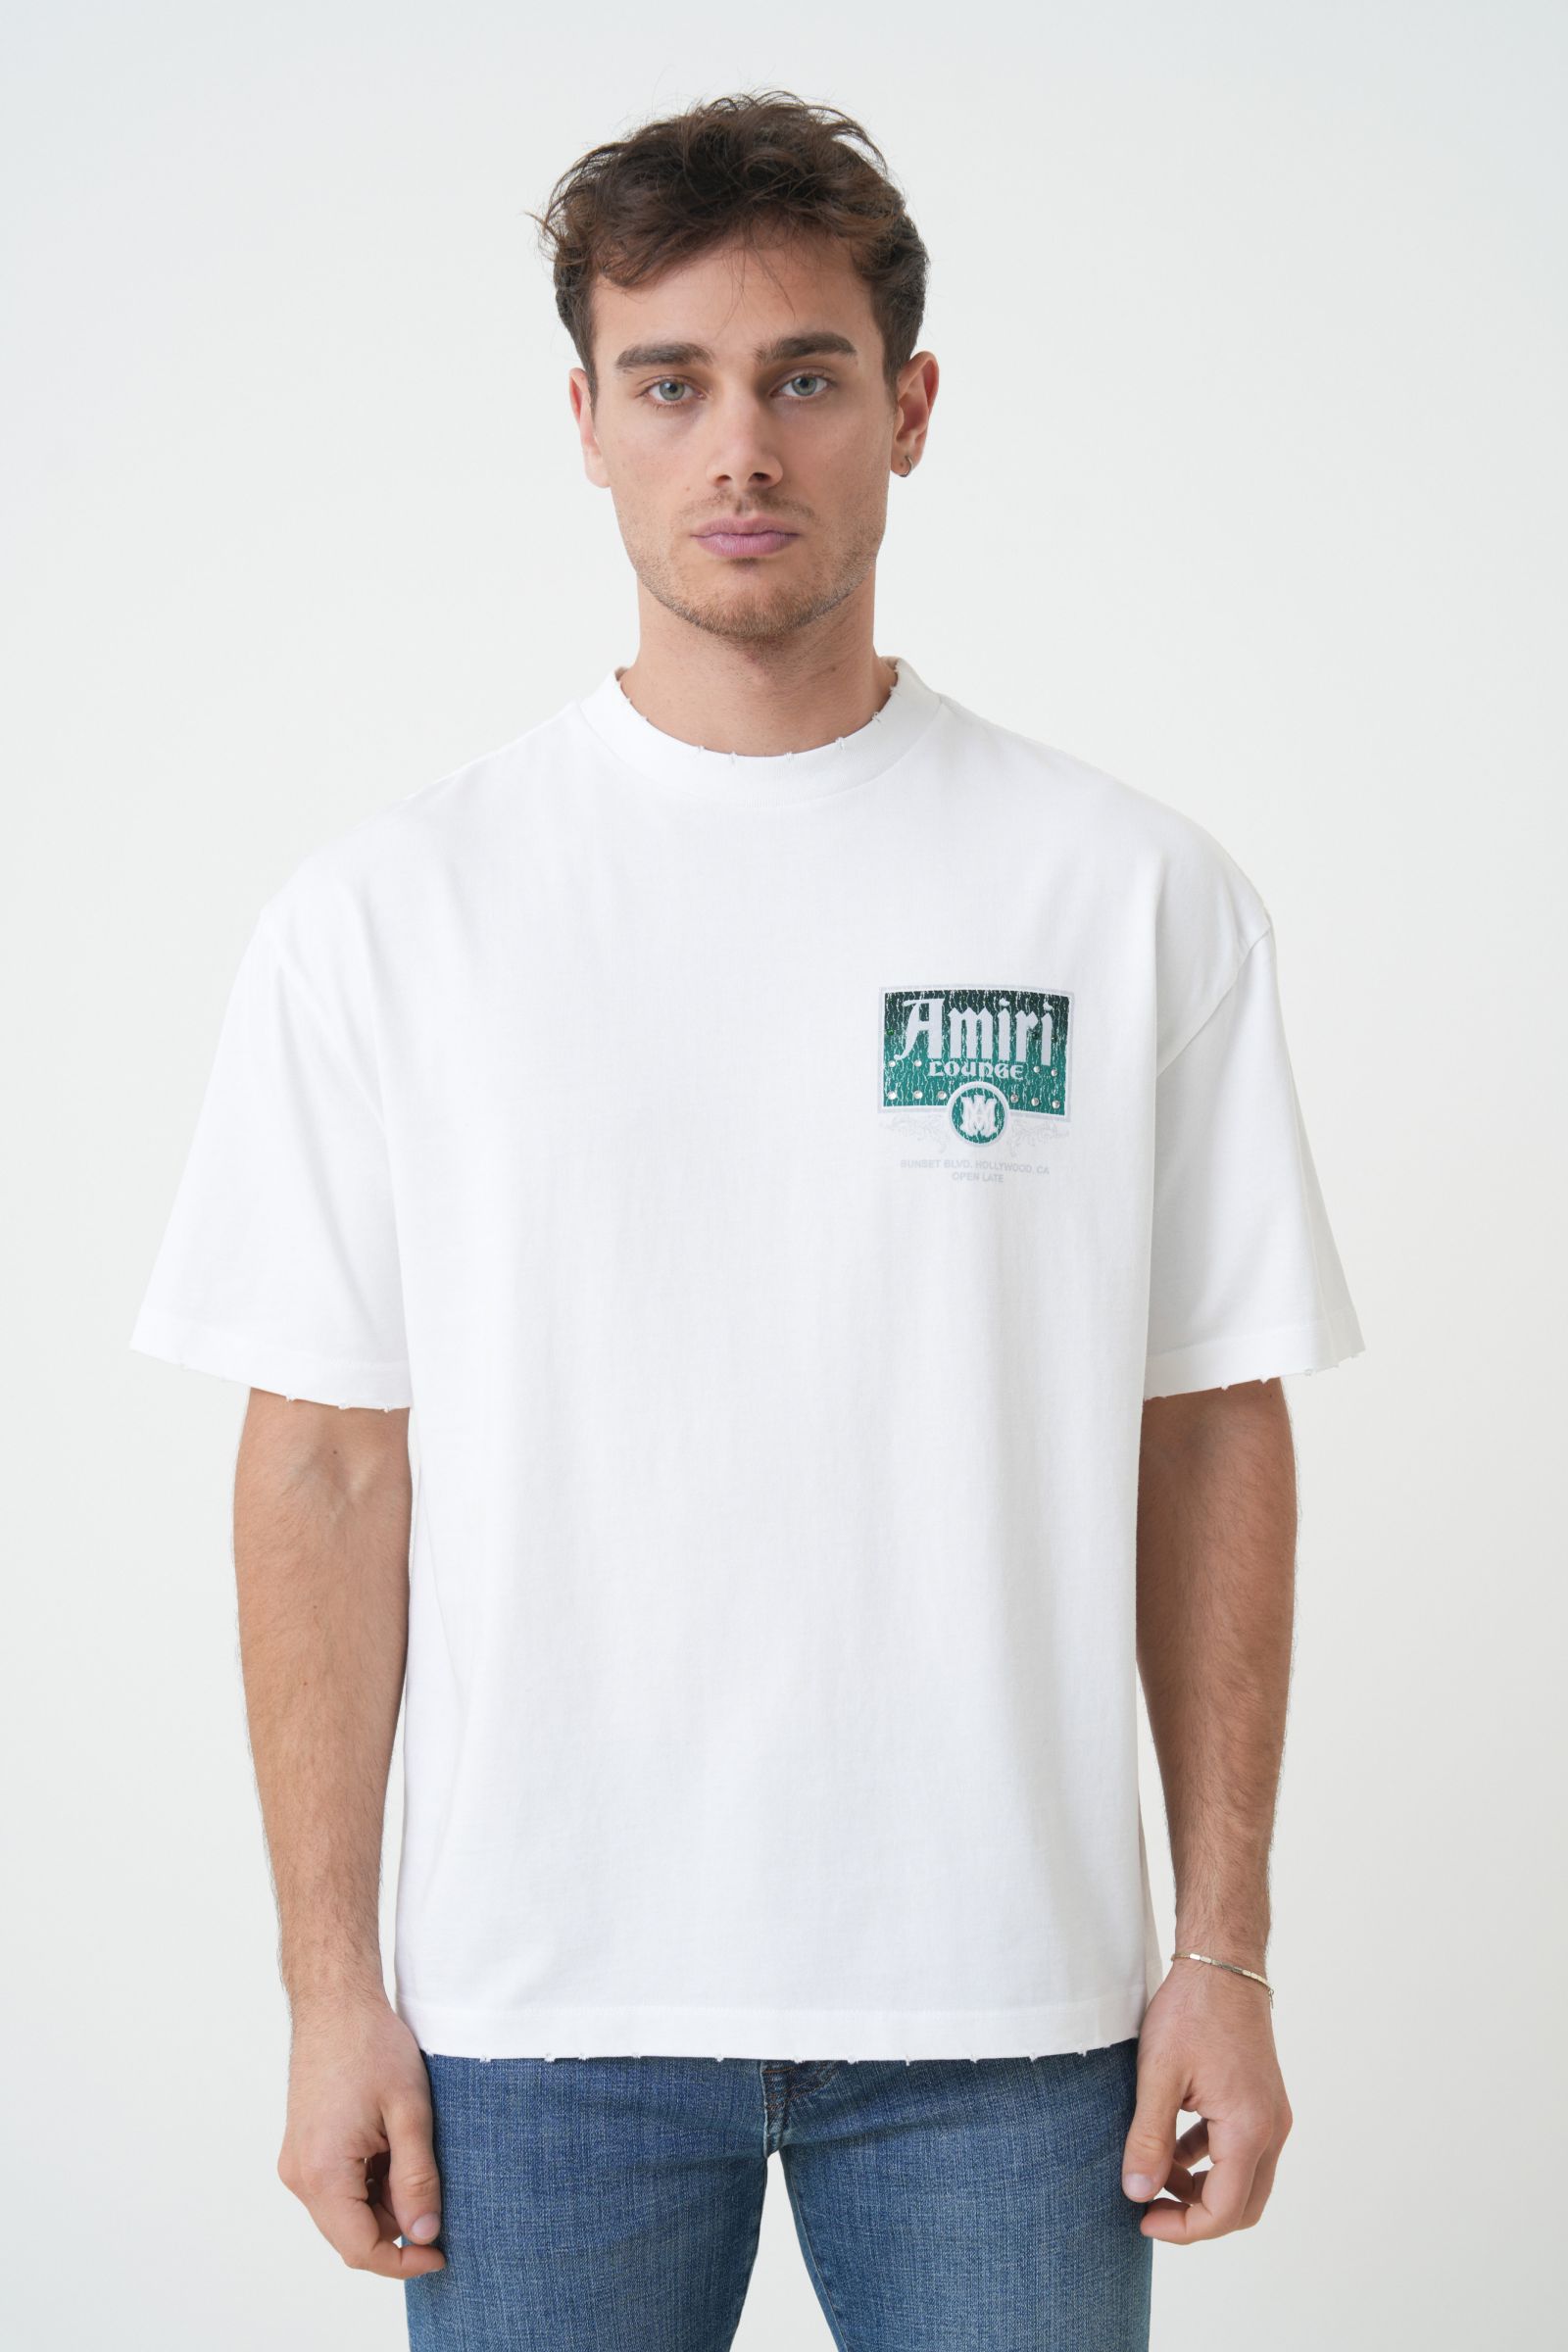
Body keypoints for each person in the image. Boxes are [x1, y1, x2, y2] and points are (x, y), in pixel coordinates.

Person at [129, 88, 1365, 2352]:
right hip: (535, 2015)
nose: (738, 448)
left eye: (801, 376)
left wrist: (1222, 1952)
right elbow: (321, 1464)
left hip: (1011, 2016)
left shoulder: (1119, 892)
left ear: (908, 408)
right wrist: (328, 1992)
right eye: (668, 382)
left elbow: (1206, 1426)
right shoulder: (393, 915)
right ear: (583, 424)